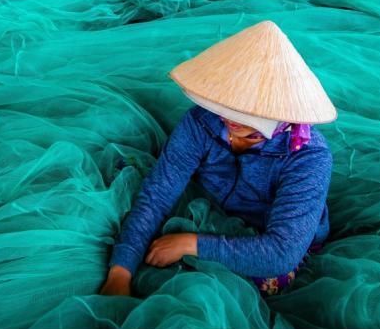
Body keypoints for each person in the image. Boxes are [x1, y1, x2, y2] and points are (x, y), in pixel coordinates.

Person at [100, 20, 337, 297]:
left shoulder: (309, 157)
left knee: (254, 282)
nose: (229, 118)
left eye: (246, 112)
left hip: (271, 240)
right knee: (141, 211)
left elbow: (281, 253)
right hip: (211, 210)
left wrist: (191, 244)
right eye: (226, 104)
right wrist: (121, 270)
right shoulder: (201, 122)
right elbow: (158, 194)